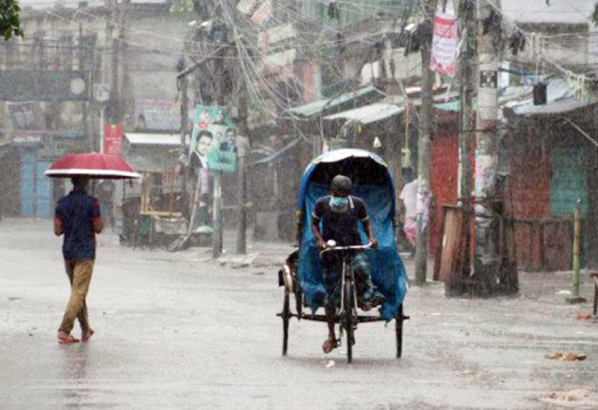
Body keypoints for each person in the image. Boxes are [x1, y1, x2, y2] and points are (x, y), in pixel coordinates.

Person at [311, 175, 385, 354]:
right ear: (332, 192)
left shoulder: (357, 204)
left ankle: (366, 298)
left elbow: (366, 223)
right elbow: (314, 223)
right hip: (332, 250)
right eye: (338, 194)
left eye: (344, 195)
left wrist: (371, 239)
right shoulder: (322, 204)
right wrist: (320, 240)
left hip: (354, 247)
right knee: (330, 297)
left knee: (362, 269)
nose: (341, 198)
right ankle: (331, 336)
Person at [54, 176, 103, 344]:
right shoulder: (92, 203)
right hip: (85, 252)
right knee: (79, 292)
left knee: (77, 291)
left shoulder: (61, 204)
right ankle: (64, 329)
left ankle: (85, 329)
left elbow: (57, 230)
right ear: (86, 183)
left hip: (68, 252)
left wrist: (71, 223)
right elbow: (98, 228)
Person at [400, 170, 418, 256]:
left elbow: (402, 200)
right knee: (410, 230)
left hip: (415, 212)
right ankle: (415, 246)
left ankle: (415, 247)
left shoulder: (413, 184)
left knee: (411, 231)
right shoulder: (408, 186)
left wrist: (401, 213)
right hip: (412, 212)